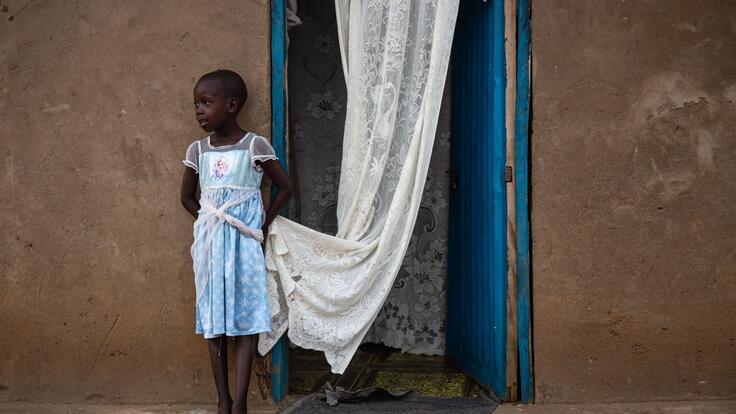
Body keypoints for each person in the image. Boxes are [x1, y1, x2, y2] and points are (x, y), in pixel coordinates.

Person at [180, 69, 292, 414]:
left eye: (206, 103)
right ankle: (222, 400)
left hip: (245, 246)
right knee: (213, 320)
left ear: (231, 105)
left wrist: (259, 225)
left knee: (244, 321)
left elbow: (285, 189)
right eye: (196, 103)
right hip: (212, 247)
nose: (199, 110)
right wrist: (210, 220)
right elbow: (186, 197)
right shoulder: (198, 149)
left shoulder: (254, 146)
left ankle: (241, 401)